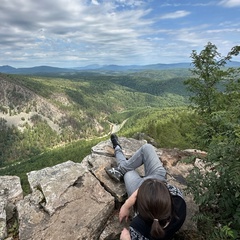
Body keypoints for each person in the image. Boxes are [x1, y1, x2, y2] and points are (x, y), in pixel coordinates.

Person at [105, 134, 186, 240]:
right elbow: (162, 187)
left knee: (128, 172)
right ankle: (121, 166)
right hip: (157, 181)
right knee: (147, 148)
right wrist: (127, 204)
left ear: (139, 209)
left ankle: (118, 150)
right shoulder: (178, 200)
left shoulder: (138, 229)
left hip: (154, 185)